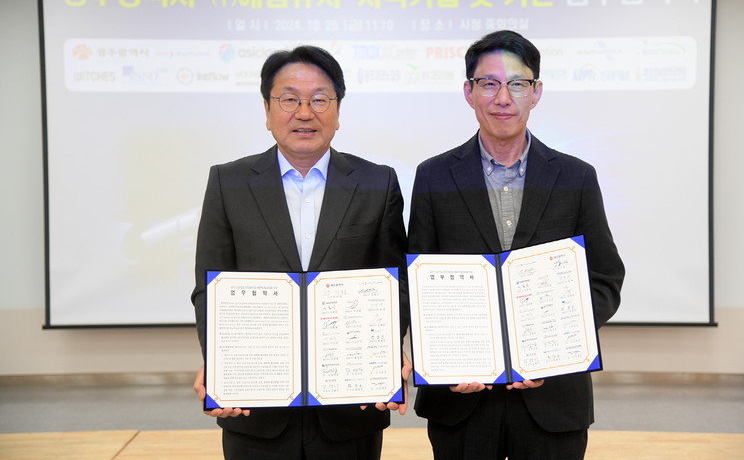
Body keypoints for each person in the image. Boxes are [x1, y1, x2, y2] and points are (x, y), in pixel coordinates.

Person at [407, 30, 625, 459]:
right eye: (488, 83)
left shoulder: (576, 177)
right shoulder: (433, 176)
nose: (503, 98)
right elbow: (416, 281)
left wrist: (554, 348)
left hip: (553, 399)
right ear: (469, 92)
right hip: (462, 399)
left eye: (517, 84)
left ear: (536, 92)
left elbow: (604, 279)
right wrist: (444, 357)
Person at [190, 45, 409, 460]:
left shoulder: (376, 183)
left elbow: (395, 284)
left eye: (319, 99)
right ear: (267, 110)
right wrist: (219, 362)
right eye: (289, 99)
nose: (305, 113)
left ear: (338, 110)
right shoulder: (228, 183)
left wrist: (382, 356)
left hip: (351, 407)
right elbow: (210, 287)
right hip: (255, 407)